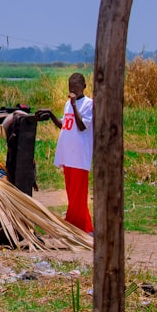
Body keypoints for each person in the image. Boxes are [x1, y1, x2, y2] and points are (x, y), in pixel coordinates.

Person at [53, 72, 94, 234]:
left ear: (84, 87)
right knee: (71, 192)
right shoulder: (67, 104)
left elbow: (82, 126)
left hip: (79, 155)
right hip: (68, 153)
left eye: (76, 88)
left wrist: (75, 104)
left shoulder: (88, 104)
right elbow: (65, 125)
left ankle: (83, 225)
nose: (73, 91)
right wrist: (51, 115)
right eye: (71, 88)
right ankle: (73, 221)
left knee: (79, 193)